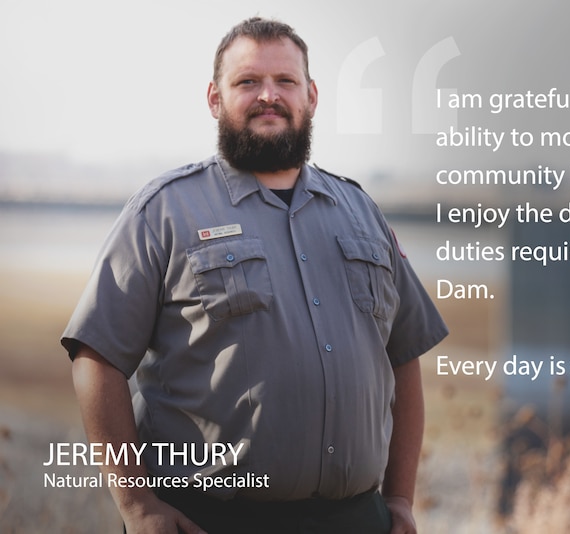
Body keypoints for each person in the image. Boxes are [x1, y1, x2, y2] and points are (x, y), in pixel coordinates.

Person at [61, 17, 447, 534]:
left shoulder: (362, 212)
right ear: (215, 98)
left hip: (357, 519)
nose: (269, 95)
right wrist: (137, 505)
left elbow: (403, 358)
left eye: (285, 81)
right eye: (247, 82)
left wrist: (399, 499)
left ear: (310, 96)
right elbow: (97, 357)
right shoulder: (163, 211)